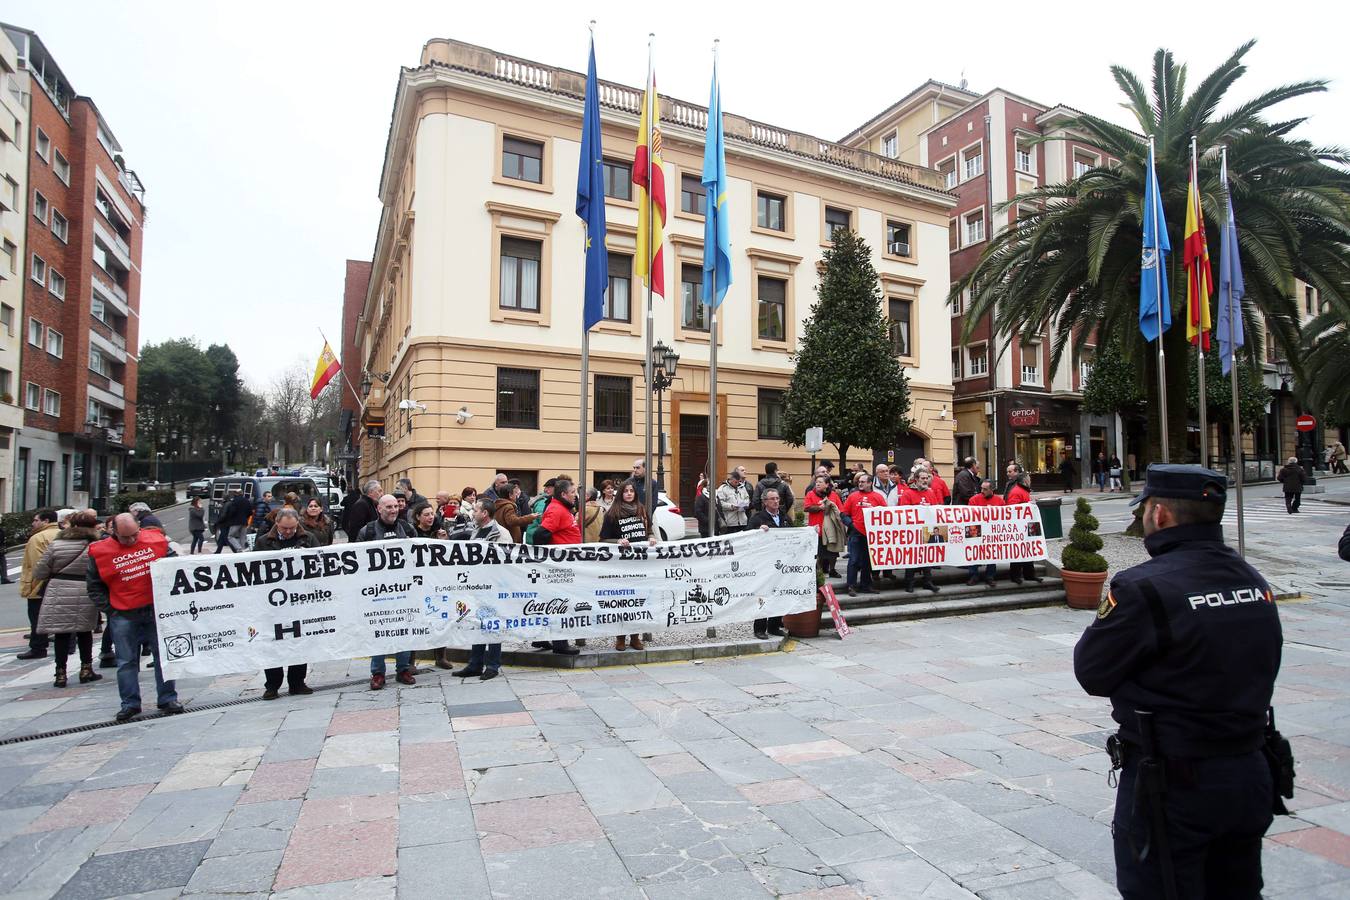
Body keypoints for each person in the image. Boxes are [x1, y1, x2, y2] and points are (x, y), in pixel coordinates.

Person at [1074, 464, 1282, 899]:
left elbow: (1092, 670)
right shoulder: (1253, 580)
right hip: (1249, 768)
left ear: (1160, 515)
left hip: (1174, 778)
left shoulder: (1141, 587)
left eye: (1146, 507)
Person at [87, 513, 184, 722]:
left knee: (163, 657)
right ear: (113, 532)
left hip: (154, 609)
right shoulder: (100, 552)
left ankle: (167, 698)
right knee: (126, 661)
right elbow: (94, 586)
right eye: (125, 538)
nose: (131, 541)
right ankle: (130, 703)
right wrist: (111, 609)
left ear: (139, 528)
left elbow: (174, 568)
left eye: (134, 535)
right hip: (123, 613)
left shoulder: (156, 541)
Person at [33, 511, 103, 687]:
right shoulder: (97, 545)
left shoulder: (56, 544)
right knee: (85, 631)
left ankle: (60, 673)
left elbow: (40, 572)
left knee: (61, 632)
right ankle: (86, 669)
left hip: (59, 588)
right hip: (85, 588)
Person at [254, 508, 318, 699]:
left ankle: (297, 682)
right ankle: (272, 684)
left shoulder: (308, 539)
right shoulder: (264, 541)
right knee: (273, 642)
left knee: (299, 640)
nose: (289, 532)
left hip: (300, 599)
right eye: (284, 528)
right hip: (273, 601)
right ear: (276, 523)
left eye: (292, 528)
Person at [356, 495, 418, 688]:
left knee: (403, 629)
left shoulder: (407, 529)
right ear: (379, 509)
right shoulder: (368, 531)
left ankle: (403, 669)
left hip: (404, 589)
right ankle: (378, 673)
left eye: (395, 507)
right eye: (388, 507)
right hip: (377, 592)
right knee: (379, 631)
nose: (393, 510)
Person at [453, 499, 509, 681]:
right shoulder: (476, 531)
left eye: (476, 510)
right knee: (477, 623)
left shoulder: (501, 533)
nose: (473, 513)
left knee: (493, 625)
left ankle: (492, 665)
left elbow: (507, 559)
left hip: (494, 587)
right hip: (477, 586)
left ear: (485, 513)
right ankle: (475, 664)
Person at [600, 482, 656, 650]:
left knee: (639, 601)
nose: (629, 493)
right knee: (623, 601)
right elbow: (603, 538)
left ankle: (635, 637)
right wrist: (617, 541)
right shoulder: (612, 513)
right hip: (621, 565)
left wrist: (651, 537)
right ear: (620, 494)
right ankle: (620, 637)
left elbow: (649, 530)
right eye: (626, 491)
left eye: (632, 491)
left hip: (640, 563)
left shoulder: (642, 510)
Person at [529, 478, 582, 656]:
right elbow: (541, 534)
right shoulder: (557, 509)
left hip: (564, 565)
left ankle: (542, 638)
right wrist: (549, 557)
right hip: (560, 567)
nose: (575, 496)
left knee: (552, 602)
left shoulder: (562, 508)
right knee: (560, 603)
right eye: (573, 492)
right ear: (563, 494)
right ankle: (560, 643)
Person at [17, 509, 61, 660]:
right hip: (61, 583)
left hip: (40, 585)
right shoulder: (63, 533)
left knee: (37, 617)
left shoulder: (37, 538)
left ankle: (37, 647)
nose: (33, 523)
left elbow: (38, 565)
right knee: (62, 616)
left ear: (46, 521)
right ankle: (68, 646)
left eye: (36, 520)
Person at [748, 488, 788, 639]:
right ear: (765, 502)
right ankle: (759, 628)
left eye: (777, 498)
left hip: (781, 564)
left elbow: (793, 533)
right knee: (763, 596)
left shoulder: (783, 517)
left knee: (779, 594)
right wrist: (758, 531)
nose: (776, 501)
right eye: (772, 499)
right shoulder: (758, 518)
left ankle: (774, 626)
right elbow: (748, 536)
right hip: (764, 565)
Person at [840, 474, 886, 597]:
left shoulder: (878, 497)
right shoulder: (853, 496)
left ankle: (866, 585)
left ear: (870, 483)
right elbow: (843, 514)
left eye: (863, 482)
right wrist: (851, 524)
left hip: (871, 534)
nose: (860, 484)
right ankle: (851, 585)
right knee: (854, 560)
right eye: (859, 482)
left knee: (868, 561)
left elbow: (885, 514)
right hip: (856, 533)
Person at [899, 470, 940, 594]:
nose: (925, 480)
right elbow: (903, 512)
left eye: (927, 478)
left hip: (927, 530)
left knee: (927, 556)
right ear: (916, 479)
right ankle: (909, 582)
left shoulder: (931, 493)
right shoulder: (908, 493)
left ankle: (928, 581)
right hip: (912, 531)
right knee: (912, 557)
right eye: (922, 478)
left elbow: (935, 509)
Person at [1005, 464, 1042, 584]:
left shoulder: (1022, 491)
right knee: (1018, 551)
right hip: (1019, 526)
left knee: (1028, 550)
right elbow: (1013, 509)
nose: (1030, 481)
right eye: (1029, 479)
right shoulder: (1017, 492)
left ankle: (1029, 574)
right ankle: (1015, 575)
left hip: (1026, 525)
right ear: (1025, 480)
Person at [804, 474, 845, 577]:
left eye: (820, 482)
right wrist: (819, 508)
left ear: (827, 484)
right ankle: (819, 571)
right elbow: (807, 508)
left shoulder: (834, 495)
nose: (817, 484)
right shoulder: (810, 494)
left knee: (833, 551)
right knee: (819, 552)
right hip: (817, 528)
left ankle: (832, 570)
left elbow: (841, 509)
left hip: (831, 527)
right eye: (816, 482)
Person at [965, 480, 1002, 587]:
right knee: (974, 551)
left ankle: (990, 576)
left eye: (985, 489)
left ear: (992, 490)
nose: (982, 491)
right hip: (976, 530)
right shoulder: (973, 499)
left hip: (991, 531)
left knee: (992, 552)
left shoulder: (999, 501)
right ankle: (973, 575)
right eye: (981, 488)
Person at [216, 487, 252, 553]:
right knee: (242, 537)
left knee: (230, 536)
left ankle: (239, 548)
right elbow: (250, 512)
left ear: (236, 494)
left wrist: (230, 518)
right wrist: (245, 517)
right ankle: (242, 550)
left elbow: (232, 512)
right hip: (244, 521)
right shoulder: (247, 501)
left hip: (235, 522)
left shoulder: (234, 501)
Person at [715, 469, 751, 533]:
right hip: (730, 522)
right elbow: (720, 503)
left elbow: (747, 498)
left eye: (738, 482)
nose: (737, 484)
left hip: (743, 521)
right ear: (730, 479)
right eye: (735, 482)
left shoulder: (742, 488)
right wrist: (731, 506)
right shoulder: (723, 488)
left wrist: (746, 505)